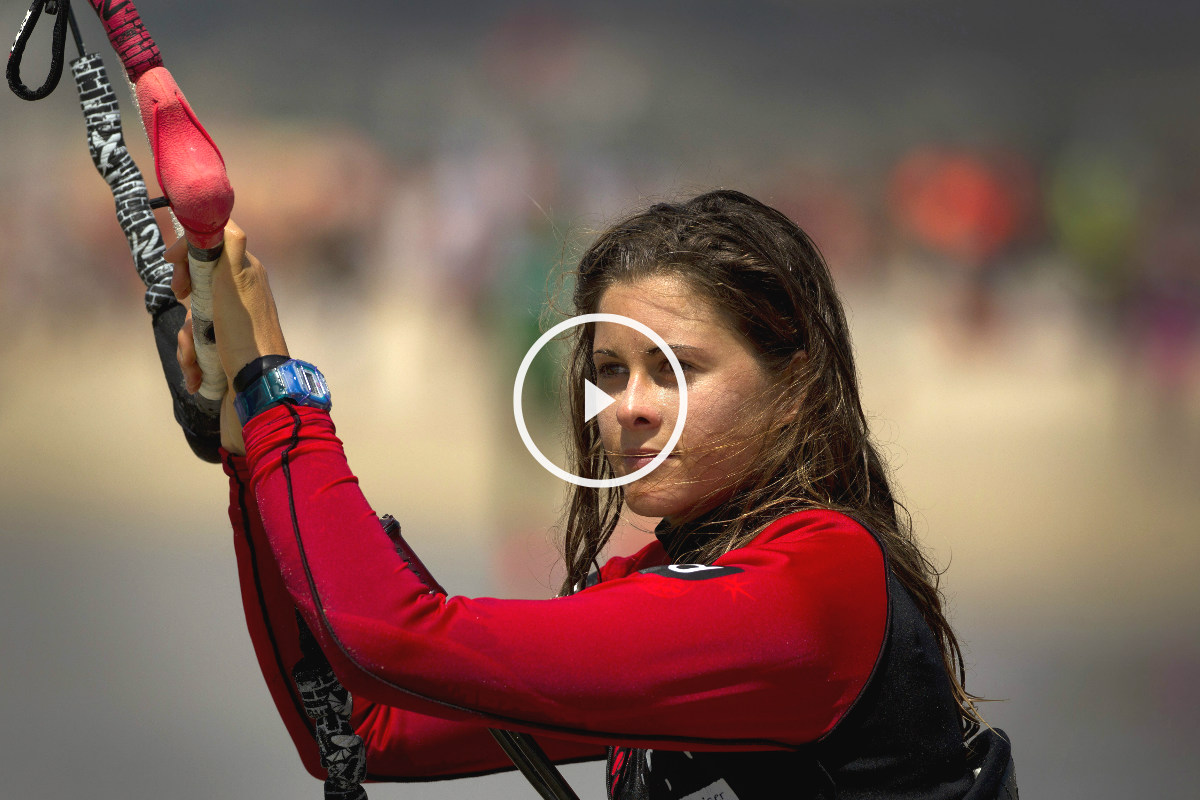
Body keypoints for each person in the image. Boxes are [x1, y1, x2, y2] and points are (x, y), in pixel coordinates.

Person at [172, 189, 1013, 799]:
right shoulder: (687, 578)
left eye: (677, 369)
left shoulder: (812, 587)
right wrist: (250, 456)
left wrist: (281, 395)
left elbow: (391, 636)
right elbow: (359, 732)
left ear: (795, 386)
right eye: (612, 371)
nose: (632, 407)